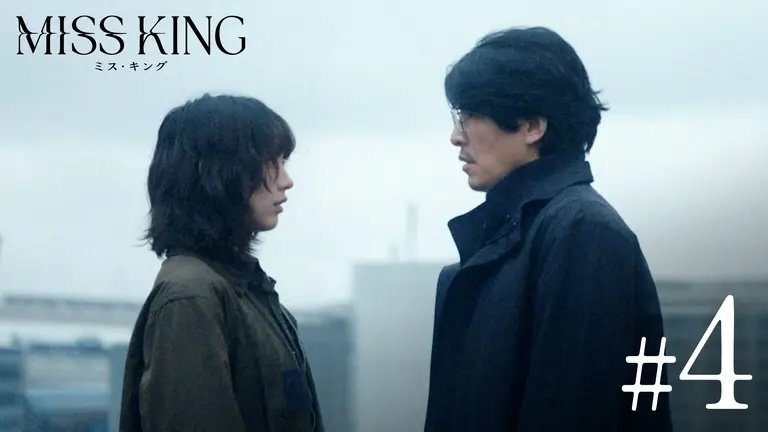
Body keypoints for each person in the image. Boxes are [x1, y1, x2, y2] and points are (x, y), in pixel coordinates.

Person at [424, 27, 673, 431]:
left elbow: (576, 410)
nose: (456, 136)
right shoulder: (521, 235)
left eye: (470, 116)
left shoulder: (583, 231)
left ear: (532, 126)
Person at [119, 94, 323, 432]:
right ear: (220, 173)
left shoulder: (240, 288)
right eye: (271, 163)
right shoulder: (191, 295)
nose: (286, 180)